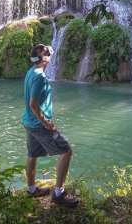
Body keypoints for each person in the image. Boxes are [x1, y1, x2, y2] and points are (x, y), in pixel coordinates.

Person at [22, 43, 79, 208]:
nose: (49, 53)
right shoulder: (40, 76)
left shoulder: (31, 71)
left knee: (32, 154)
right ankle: (58, 193)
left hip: (28, 122)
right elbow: (33, 104)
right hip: (38, 124)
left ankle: (32, 189)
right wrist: (46, 122)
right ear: (43, 59)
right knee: (66, 151)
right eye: (47, 52)